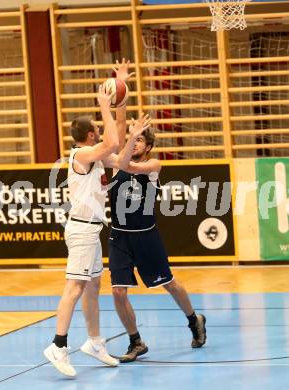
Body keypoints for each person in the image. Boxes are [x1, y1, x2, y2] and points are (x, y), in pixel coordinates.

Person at [44, 84, 151, 377]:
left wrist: (128, 126)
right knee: (75, 286)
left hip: (92, 230)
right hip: (80, 230)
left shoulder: (95, 156)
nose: (100, 131)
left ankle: (94, 342)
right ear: (91, 134)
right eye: (97, 129)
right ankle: (58, 345)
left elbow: (120, 154)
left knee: (93, 286)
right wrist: (106, 103)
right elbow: (111, 143)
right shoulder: (81, 154)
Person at [108, 60, 207, 363]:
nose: (134, 142)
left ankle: (194, 320)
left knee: (169, 283)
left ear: (148, 146)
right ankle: (136, 341)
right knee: (118, 292)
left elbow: (128, 165)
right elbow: (120, 120)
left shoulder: (152, 165)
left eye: (139, 139)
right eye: (133, 139)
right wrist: (121, 84)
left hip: (146, 235)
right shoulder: (120, 157)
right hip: (119, 237)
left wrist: (130, 141)